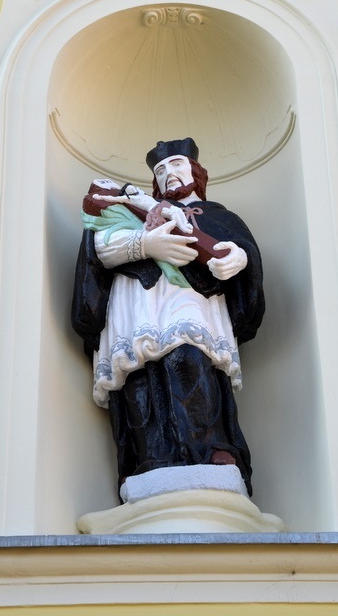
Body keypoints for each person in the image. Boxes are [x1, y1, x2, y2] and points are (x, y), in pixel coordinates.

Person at [72, 138, 264, 497]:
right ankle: (151, 458)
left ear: (196, 172)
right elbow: (97, 250)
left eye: (176, 164)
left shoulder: (218, 215)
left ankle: (210, 449)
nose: (168, 173)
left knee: (190, 358)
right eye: (160, 170)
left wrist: (239, 257)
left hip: (190, 297)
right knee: (137, 372)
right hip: (136, 301)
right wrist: (145, 245)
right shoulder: (134, 208)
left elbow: (240, 249)